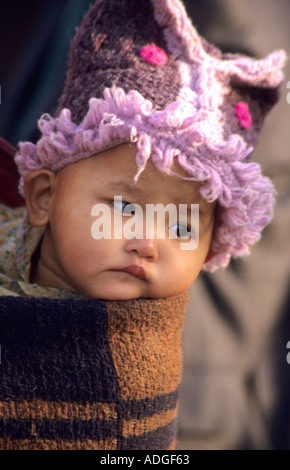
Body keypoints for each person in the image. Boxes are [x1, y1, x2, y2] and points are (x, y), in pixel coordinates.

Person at [0, 0, 286, 450]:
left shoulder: (139, 372)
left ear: (214, 246)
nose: (148, 241)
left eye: (184, 227)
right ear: (43, 196)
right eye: (123, 207)